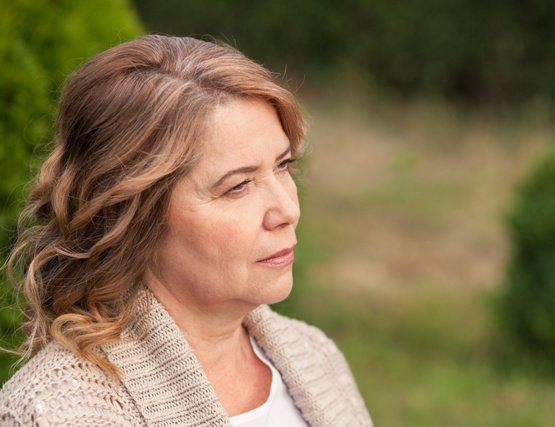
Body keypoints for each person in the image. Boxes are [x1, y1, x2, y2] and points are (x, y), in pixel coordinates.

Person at [0, 35, 372, 426]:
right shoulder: (56, 412)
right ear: (133, 215)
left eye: (282, 166)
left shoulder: (315, 356)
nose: (287, 210)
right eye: (238, 186)